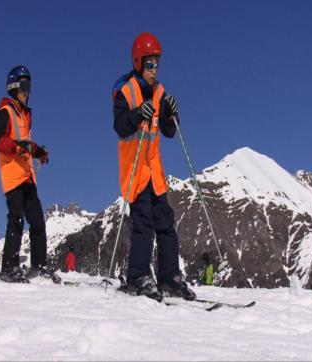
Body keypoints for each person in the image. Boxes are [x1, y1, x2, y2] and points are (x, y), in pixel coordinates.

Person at [112, 32, 195, 301]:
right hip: (135, 171)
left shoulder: (160, 91)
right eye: (150, 64)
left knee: (166, 223)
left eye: (157, 63)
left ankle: (169, 277)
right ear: (138, 62)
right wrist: (138, 114)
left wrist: (171, 113)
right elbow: (120, 127)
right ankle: (138, 276)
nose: (154, 69)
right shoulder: (126, 91)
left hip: (155, 171)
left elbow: (169, 131)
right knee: (143, 223)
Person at [0, 65, 52, 283]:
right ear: (14, 86)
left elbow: (26, 143)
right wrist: (16, 146)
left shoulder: (25, 115)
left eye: (30, 86)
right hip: (12, 175)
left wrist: (39, 153)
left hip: (27, 175)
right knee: (17, 218)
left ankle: (38, 267)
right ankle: (9, 267)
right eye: (25, 86)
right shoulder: (6, 110)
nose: (28, 91)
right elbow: (0, 141)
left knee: (37, 221)